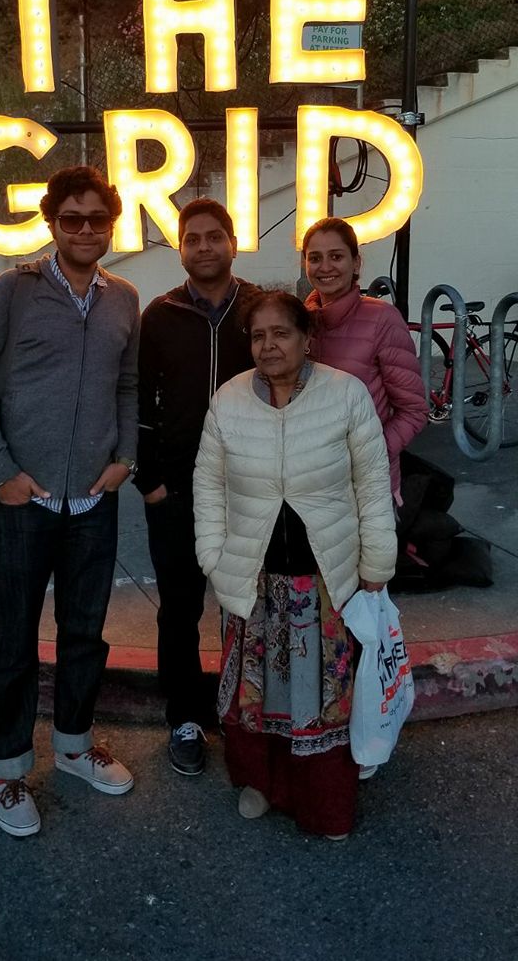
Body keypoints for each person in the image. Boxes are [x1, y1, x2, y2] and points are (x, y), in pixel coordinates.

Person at [0, 166, 140, 838]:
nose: (85, 229)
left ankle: (73, 744)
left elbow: (127, 384)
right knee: (12, 641)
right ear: (53, 222)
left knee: (85, 634)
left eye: (97, 218)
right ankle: (7, 771)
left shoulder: (123, 297)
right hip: (23, 500)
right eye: (72, 218)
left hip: (94, 500)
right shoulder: (13, 291)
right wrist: (3, 472)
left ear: (112, 222)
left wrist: (126, 461)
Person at [193, 290, 397, 839]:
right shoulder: (229, 400)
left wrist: (377, 559)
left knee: (319, 699)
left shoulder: (346, 395)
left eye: (281, 333)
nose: (269, 345)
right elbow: (208, 485)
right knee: (256, 699)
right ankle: (261, 785)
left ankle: (323, 804)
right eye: (258, 336)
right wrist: (213, 557)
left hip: (325, 583)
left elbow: (372, 485)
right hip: (253, 580)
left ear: (307, 339)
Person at [136, 198, 259, 777]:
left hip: (252, 490)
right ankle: (184, 716)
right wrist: (150, 481)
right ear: (180, 248)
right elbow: (137, 402)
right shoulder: (160, 315)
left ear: (233, 243)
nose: (204, 247)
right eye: (193, 239)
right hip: (178, 492)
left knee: (249, 605)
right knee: (179, 609)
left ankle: (247, 712)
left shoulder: (260, 309)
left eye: (214, 237)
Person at [302, 217, 427, 500]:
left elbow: (413, 411)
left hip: (367, 486)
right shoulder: (300, 321)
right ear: (304, 263)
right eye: (315, 258)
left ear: (356, 263)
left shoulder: (382, 319)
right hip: (311, 482)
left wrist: (371, 453)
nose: (325, 267)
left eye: (336, 256)